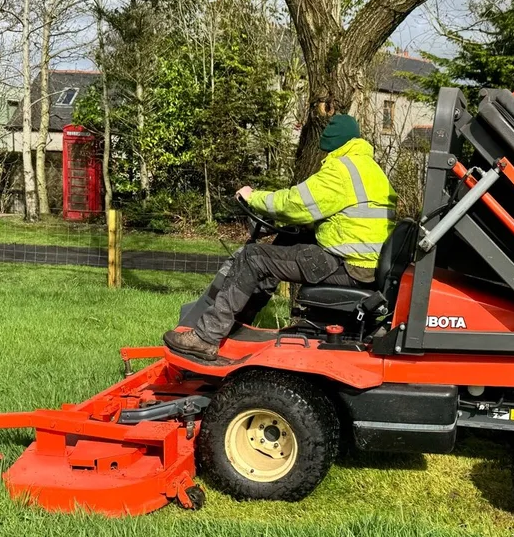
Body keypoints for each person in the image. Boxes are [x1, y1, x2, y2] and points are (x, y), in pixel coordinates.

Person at [163, 112, 397, 361]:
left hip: (348, 267)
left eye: (325, 151)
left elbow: (295, 203)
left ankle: (205, 337)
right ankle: (239, 325)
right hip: (365, 265)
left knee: (253, 257)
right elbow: (337, 214)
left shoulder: (341, 170)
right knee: (286, 243)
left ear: (333, 144)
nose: (324, 156)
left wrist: (252, 197)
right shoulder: (370, 169)